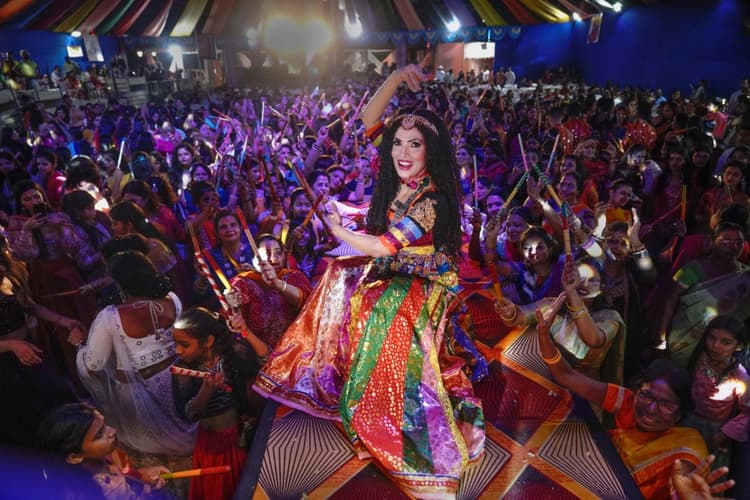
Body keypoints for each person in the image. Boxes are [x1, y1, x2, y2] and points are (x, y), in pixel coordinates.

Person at [253, 64, 487, 498]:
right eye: (397, 142)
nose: (402, 151)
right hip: (397, 268)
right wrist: (395, 78)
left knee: (381, 311)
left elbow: (384, 246)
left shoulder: (432, 198)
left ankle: (392, 414)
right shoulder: (403, 175)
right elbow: (368, 121)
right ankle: (342, 374)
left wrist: (336, 230)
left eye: (414, 144)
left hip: (425, 282)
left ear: (431, 151)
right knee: (337, 277)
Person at [535, 293, 708, 499]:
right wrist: (544, 336)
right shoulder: (628, 402)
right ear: (637, 390)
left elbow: (684, 483)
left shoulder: (687, 445)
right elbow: (567, 376)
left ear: (680, 414)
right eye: (646, 395)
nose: (651, 409)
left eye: (666, 404)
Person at [72, 251, 197, 458]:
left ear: (120, 283)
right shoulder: (172, 299)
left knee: (146, 452)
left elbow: (93, 365)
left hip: (140, 400)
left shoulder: (110, 317)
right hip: (179, 381)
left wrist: (80, 345)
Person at [171, 308, 266, 500]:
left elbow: (267, 360)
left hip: (236, 441)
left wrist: (245, 330)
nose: (177, 351)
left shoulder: (233, 354)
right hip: (208, 446)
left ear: (208, 341)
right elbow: (189, 413)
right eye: (176, 344)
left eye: (184, 344)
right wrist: (206, 390)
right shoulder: (182, 368)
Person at [36, 402, 172, 499]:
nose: (112, 431)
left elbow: (125, 471)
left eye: (105, 425)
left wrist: (142, 476)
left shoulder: (106, 453)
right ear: (74, 457)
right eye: (99, 434)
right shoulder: (96, 492)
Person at [684, 315, 749, 471]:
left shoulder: (739, 376)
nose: (715, 346)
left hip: (715, 432)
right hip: (687, 422)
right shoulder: (697, 360)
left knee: (706, 471)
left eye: (726, 342)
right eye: (712, 338)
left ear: (738, 346)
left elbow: (747, 411)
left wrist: (723, 435)